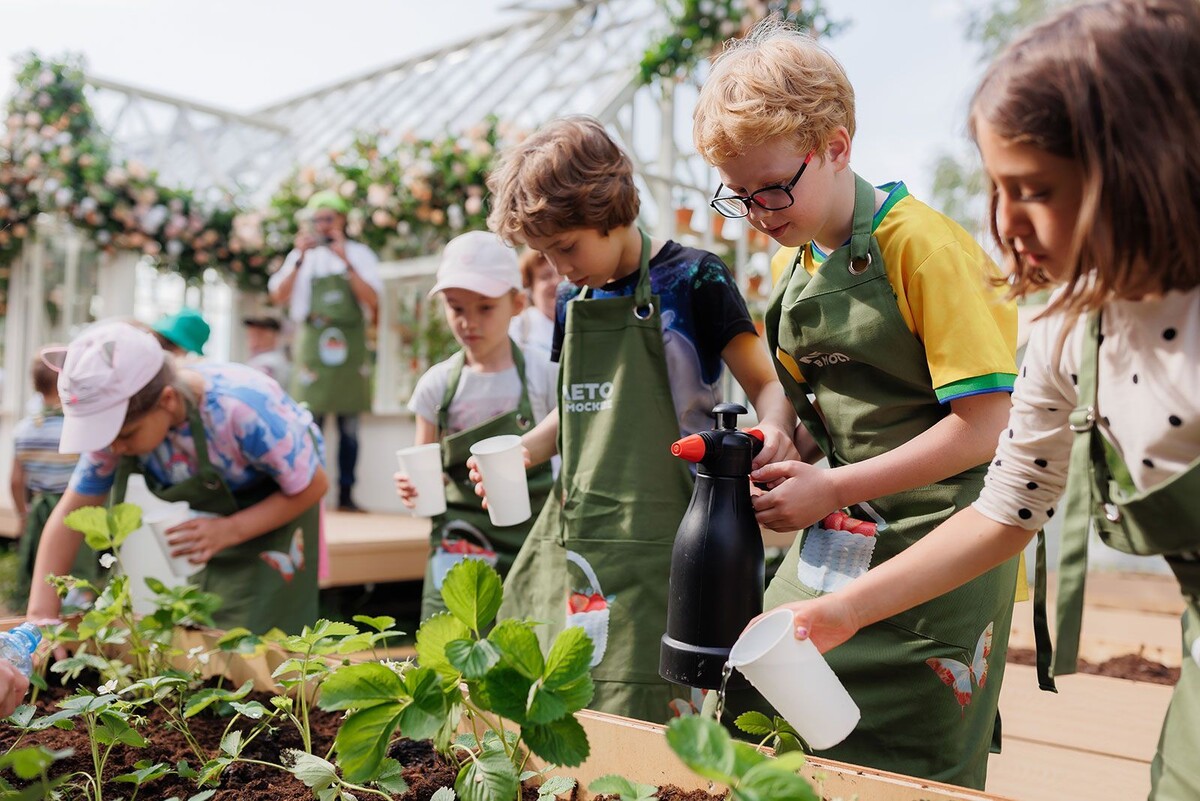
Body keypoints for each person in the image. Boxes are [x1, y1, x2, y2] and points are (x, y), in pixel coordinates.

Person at [779, 2, 1200, 798]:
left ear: (1150, 166)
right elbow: (1007, 508)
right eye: (994, 188)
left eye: (1034, 190)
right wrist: (840, 613)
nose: (1004, 223)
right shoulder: (1069, 335)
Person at [691, 21, 1022, 788]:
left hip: (945, 543)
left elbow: (986, 428)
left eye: (774, 187)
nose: (762, 211)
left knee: (911, 758)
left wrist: (833, 486)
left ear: (836, 145)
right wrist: (779, 436)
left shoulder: (924, 248)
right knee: (756, 699)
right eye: (740, 197)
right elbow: (798, 404)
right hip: (845, 537)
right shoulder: (797, 267)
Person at [478, 115, 798, 723]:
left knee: (655, 707)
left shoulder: (694, 277)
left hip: (674, 533)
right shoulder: (576, 299)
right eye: (544, 254)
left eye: (566, 247)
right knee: (558, 695)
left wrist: (774, 428)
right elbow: (578, 413)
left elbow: (767, 384)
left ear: (609, 208)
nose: (559, 269)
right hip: (583, 528)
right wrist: (525, 449)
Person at [25, 320, 328, 634]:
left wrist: (230, 530)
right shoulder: (118, 430)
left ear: (167, 400)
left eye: (125, 435)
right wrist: (41, 617)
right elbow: (70, 515)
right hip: (219, 521)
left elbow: (314, 485)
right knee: (210, 625)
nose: (115, 448)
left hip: (282, 505)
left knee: (270, 632)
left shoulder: (243, 408)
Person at [395, 231, 557, 620]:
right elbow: (424, 463)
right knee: (447, 649)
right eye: (457, 308)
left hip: (530, 540)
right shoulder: (437, 385)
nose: (469, 322)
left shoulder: (542, 373)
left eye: (485, 308)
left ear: (517, 304)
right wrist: (412, 487)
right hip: (457, 545)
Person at [268, 191, 382, 512]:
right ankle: (308, 494)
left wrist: (345, 260)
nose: (322, 225)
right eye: (316, 219)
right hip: (312, 348)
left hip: (350, 348)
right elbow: (277, 295)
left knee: (350, 428)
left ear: (342, 220)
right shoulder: (300, 257)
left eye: (328, 218)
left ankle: (346, 496)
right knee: (308, 422)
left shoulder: (360, 254)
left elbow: (372, 299)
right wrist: (299, 258)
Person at [10, 353, 94, 601]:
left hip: (39, 509)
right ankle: (76, 617)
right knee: (77, 571)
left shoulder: (25, 429)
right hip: (74, 509)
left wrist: (23, 515)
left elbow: (16, 481)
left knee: (43, 569)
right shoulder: (75, 429)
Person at [509, 248, 558, 362]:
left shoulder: (587, 322)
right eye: (546, 276)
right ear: (530, 287)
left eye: (562, 275)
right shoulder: (518, 328)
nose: (556, 282)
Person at [242, 314, 291, 390]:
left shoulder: (268, 363)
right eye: (250, 335)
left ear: (274, 336)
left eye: (259, 335)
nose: (253, 340)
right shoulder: (260, 359)